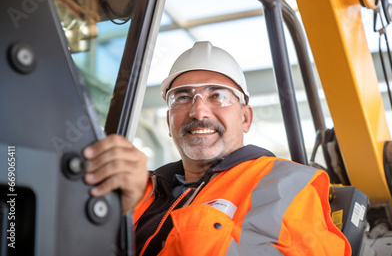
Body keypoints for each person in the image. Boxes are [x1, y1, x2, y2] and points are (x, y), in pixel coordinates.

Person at [83, 41, 351, 256]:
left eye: (217, 95)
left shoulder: (289, 184)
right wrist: (115, 217)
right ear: (168, 121)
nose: (198, 111)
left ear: (245, 118)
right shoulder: (141, 188)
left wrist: (195, 226)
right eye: (183, 97)